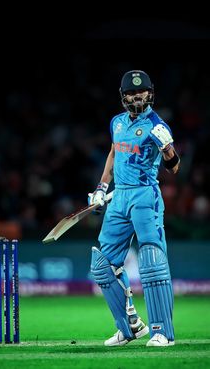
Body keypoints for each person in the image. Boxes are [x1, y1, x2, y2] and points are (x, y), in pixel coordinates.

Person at [89, 69, 180, 347]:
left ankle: (162, 332)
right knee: (103, 266)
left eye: (140, 92)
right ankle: (130, 327)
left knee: (151, 261)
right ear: (123, 96)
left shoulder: (156, 124)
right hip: (119, 198)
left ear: (149, 93)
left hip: (144, 195)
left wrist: (167, 149)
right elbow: (114, 152)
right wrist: (101, 188)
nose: (136, 96)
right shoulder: (117, 123)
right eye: (130, 92)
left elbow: (174, 167)